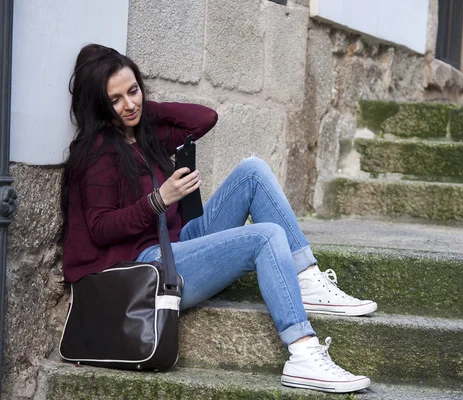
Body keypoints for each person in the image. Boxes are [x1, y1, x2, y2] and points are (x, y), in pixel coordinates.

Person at [60, 44, 377, 394]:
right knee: (265, 236)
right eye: (115, 99)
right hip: (145, 270)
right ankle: (302, 352)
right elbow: (101, 229)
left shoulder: (142, 134)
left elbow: (204, 118)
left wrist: (141, 110)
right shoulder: (97, 153)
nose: (129, 104)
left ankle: (305, 277)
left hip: (174, 243)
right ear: (99, 104)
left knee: (253, 171)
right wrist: (159, 200)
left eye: (133, 90)